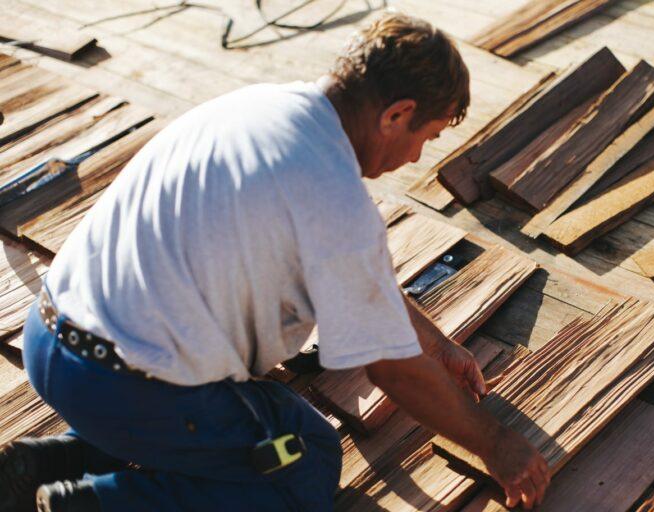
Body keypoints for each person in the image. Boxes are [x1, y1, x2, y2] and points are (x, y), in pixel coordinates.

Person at [0, 13, 549, 512]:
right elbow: (392, 371)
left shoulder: (257, 105)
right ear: (397, 114)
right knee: (300, 459)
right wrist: (498, 445)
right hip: (117, 384)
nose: (415, 158)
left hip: (50, 343)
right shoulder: (334, 199)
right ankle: (94, 505)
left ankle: (49, 463)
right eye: (423, 137)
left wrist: (434, 343)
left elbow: (357, 281)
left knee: (227, 414)